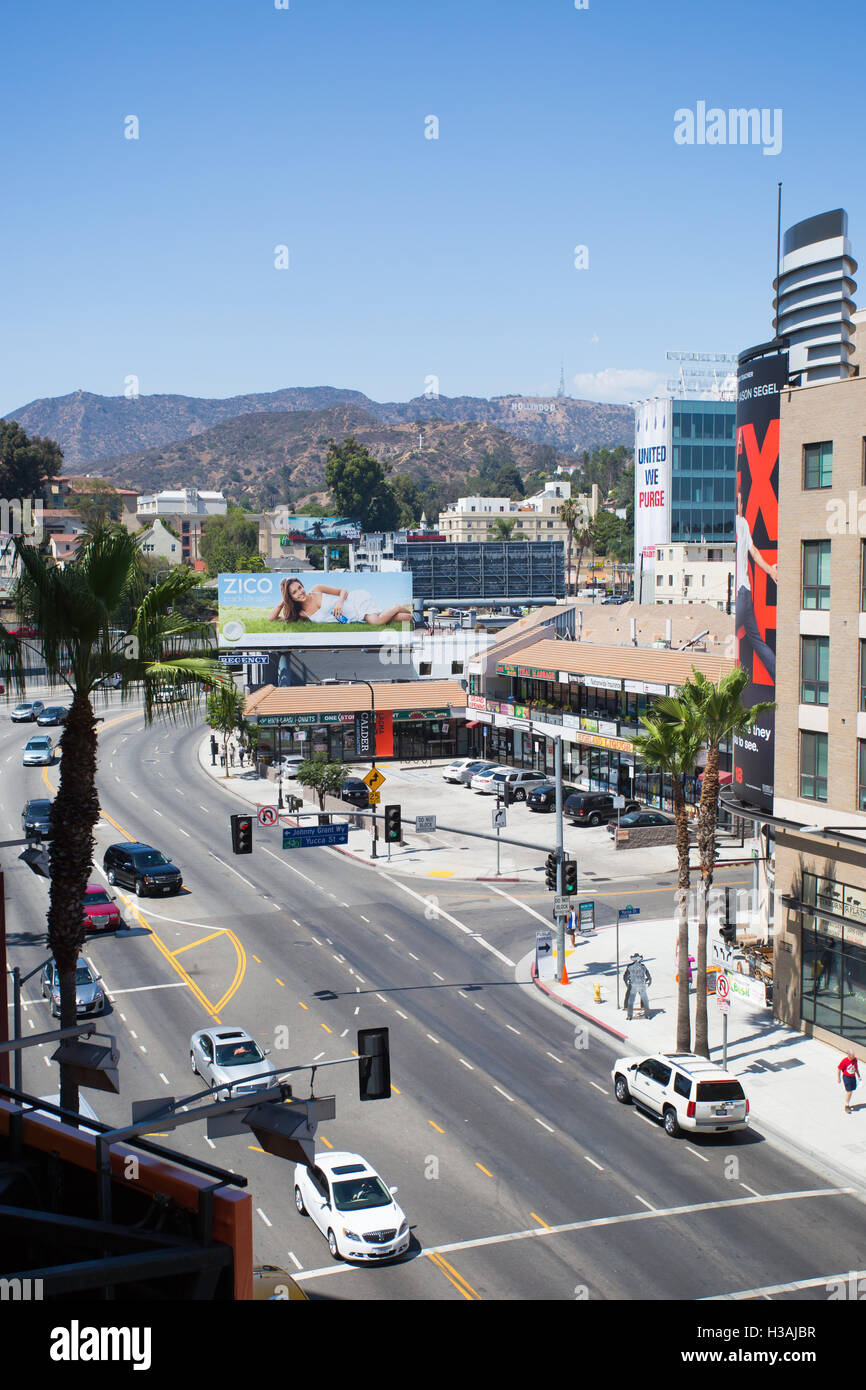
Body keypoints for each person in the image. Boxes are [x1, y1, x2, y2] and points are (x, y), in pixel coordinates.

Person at [735, 487, 777, 684]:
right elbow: (755, 553)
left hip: (739, 595)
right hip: (746, 594)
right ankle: (780, 676)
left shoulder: (739, 523)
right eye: (740, 502)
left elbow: (754, 552)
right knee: (756, 640)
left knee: (733, 637)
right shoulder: (742, 523)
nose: (741, 505)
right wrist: (771, 571)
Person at [268, 577, 412, 628]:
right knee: (405, 619)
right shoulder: (302, 614)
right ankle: (409, 613)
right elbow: (272, 619)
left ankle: (397, 607)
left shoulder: (317, 590)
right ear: (291, 597)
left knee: (375, 622)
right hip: (355, 618)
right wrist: (283, 602)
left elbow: (343, 591)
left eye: (300, 588)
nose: (300, 592)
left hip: (355, 601)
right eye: (294, 592)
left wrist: (339, 603)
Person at [623, 953, 653, 1022]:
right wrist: (649, 981)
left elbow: (625, 976)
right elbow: (648, 975)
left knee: (631, 1000)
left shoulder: (630, 966)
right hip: (641, 984)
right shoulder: (642, 966)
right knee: (645, 999)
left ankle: (629, 1016)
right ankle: (647, 1014)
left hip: (633, 984)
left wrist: (627, 983)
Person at [838, 1049, 860, 1114]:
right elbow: (839, 1069)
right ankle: (846, 1106)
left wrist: (859, 1076)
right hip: (846, 1077)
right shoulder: (844, 1061)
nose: (854, 1056)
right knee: (849, 1092)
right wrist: (838, 1078)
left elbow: (856, 1068)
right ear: (849, 1055)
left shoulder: (855, 1060)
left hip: (853, 1077)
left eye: (854, 1055)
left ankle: (847, 1100)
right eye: (853, 1055)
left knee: (852, 1089)